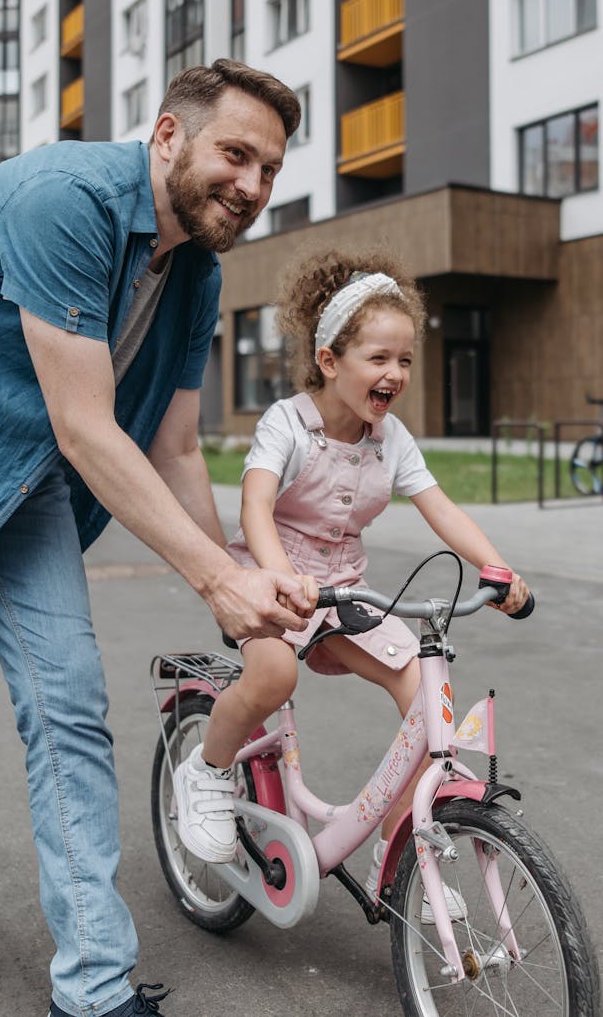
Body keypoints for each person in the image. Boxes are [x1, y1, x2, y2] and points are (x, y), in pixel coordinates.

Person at [0, 60, 316, 1017]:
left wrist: (233, 586)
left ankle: (94, 990)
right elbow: (87, 427)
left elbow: (178, 444)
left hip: (16, 473)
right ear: (166, 136)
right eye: (236, 152)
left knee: (69, 707)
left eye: (270, 167)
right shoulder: (66, 200)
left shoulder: (196, 275)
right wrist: (217, 585)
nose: (254, 184)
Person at [173, 250, 530, 905]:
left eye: (405, 360)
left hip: (344, 594)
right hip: (271, 580)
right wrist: (280, 580)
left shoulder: (390, 438)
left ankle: (402, 852)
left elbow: (439, 505)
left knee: (429, 697)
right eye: (379, 358)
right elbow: (255, 505)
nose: (395, 373)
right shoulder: (288, 423)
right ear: (331, 361)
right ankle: (207, 770)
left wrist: (496, 567)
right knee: (273, 675)